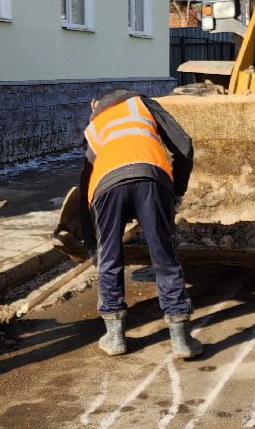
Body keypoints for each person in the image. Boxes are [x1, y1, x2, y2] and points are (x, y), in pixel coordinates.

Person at [77, 89, 201, 360]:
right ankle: (181, 339)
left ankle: (115, 336)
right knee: (164, 257)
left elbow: (85, 180)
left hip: (106, 189)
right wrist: (176, 191)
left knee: (109, 258)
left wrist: (93, 244)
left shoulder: (95, 125)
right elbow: (184, 145)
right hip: (151, 179)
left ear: (95, 104)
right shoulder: (141, 105)